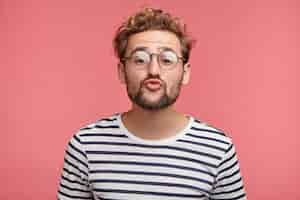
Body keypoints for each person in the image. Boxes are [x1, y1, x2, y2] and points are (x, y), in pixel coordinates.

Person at [57, 7, 247, 200]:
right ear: (122, 71)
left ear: (185, 72)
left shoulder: (218, 149)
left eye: (167, 59)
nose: (154, 70)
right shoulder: (85, 146)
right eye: (140, 59)